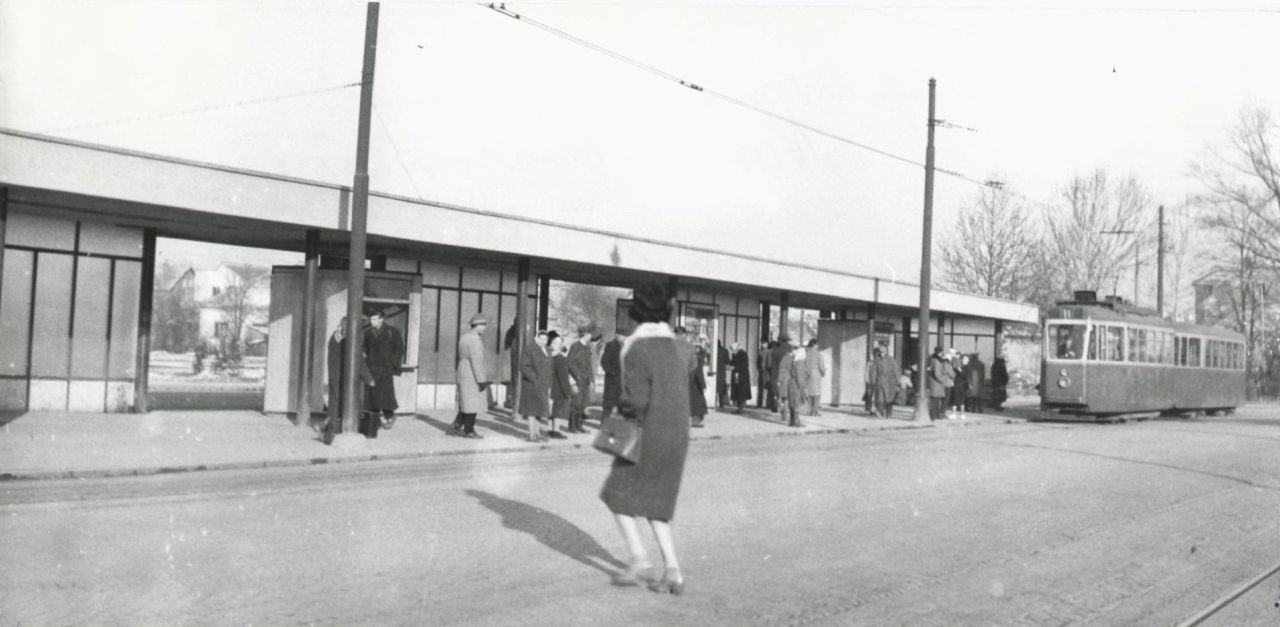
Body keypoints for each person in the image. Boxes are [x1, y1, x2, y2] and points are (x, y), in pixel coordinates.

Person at [600, 281, 691, 595]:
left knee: (615, 494)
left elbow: (635, 401)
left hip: (647, 432)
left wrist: (614, 427)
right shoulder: (677, 346)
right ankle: (673, 571)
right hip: (678, 435)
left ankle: (638, 558)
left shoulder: (637, 347)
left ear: (635, 314)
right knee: (657, 504)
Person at [324, 317, 372, 444]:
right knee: (352, 404)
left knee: (335, 404)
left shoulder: (333, 337)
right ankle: (344, 432)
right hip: (347, 378)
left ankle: (329, 434)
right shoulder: (350, 341)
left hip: (334, 376)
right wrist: (369, 378)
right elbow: (359, 360)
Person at [363, 310, 404, 435]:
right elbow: (364, 347)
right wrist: (364, 355)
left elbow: (399, 348)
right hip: (372, 367)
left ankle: (389, 417)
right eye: (371, 319)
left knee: (386, 395)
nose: (372, 322)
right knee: (372, 395)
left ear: (382, 319)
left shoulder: (392, 331)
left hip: (385, 369)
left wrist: (392, 363)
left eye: (375, 319)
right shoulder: (368, 332)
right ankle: (374, 420)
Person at [452, 313, 490, 439]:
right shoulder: (475, 340)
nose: (484, 327)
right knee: (473, 402)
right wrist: (481, 380)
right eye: (482, 325)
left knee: (466, 401)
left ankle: (457, 424)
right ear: (476, 326)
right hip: (472, 373)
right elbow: (477, 361)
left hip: (463, 370)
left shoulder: (464, 337)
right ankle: (469, 430)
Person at [520, 330, 553, 442]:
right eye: (541, 339)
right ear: (536, 338)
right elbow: (524, 367)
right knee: (532, 410)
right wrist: (535, 379)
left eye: (545, 339)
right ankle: (531, 434)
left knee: (540, 409)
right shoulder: (529, 349)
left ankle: (537, 433)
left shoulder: (547, 350)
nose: (543, 341)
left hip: (543, 385)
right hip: (532, 385)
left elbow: (550, 367)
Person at [674, 327, 707, 428]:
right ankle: (696, 420)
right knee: (696, 398)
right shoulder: (689, 347)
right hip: (687, 376)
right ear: (684, 335)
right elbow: (694, 365)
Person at [567, 323, 597, 433]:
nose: (591, 336)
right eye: (590, 334)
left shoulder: (587, 347)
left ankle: (580, 425)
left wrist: (592, 380)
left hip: (586, 380)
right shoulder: (575, 346)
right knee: (576, 403)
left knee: (584, 403)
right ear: (585, 334)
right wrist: (578, 375)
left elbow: (589, 366)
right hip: (578, 379)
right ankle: (572, 426)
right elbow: (569, 363)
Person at [549, 332, 575, 438]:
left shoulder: (546, 357)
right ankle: (556, 430)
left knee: (551, 410)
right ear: (550, 343)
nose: (558, 345)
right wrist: (567, 391)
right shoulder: (561, 359)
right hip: (558, 388)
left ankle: (550, 430)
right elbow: (563, 377)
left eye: (559, 343)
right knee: (557, 411)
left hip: (549, 387)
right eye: (555, 342)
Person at [780, 343, 810, 427]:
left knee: (792, 403)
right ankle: (796, 422)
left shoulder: (794, 362)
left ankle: (792, 421)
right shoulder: (800, 363)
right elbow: (800, 377)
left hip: (791, 383)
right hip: (796, 385)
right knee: (796, 403)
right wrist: (803, 388)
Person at [600, 332, 624, 420]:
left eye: (625, 335)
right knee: (609, 405)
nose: (623, 337)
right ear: (617, 335)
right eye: (622, 335)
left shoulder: (625, 347)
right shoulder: (610, 345)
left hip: (621, 382)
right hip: (612, 381)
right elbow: (604, 362)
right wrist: (612, 372)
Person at [871, 346, 900, 418]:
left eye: (883, 352)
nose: (881, 354)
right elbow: (873, 371)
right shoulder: (876, 360)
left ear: (886, 352)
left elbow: (896, 371)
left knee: (889, 399)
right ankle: (880, 413)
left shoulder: (891, 360)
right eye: (880, 352)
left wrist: (898, 381)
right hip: (879, 382)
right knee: (880, 398)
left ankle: (888, 414)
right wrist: (873, 381)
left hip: (890, 383)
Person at [927, 345, 952, 421]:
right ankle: (933, 416)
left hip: (935, 383)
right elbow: (937, 375)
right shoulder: (937, 361)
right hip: (936, 384)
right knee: (935, 400)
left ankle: (935, 415)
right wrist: (944, 379)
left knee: (936, 400)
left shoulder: (933, 359)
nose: (943, 354)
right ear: (939, 353)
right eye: (942, 352)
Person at [768, 335, 792, 414]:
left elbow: (771, 364)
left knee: (776, 392)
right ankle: (784, 409)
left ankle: (775, 406)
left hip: (775, 374)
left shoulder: (775, 350)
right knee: (785, 393)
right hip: (786, 374)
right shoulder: (789, 350)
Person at [804, 338, 825, 417]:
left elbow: (804, 364)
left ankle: (810, 411)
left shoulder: (807, 353)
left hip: (808, 375)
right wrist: (823, 373)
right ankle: (815, 412)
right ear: (815, 345)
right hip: (816, 375)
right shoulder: (818, 354)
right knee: (816, 394)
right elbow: (822, 366)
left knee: (809, 394)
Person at [729, 342, 752, 413]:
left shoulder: (743, 354)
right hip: (737, 375)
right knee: (737, 391)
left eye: (732, 349)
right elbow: (732, 363)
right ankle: (739, 408)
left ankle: (741, 408)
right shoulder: (736, 354)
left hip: (742, 376)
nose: (732, 351)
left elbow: (744, 365)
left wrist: (734, 368)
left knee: (741, 392)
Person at [949, 351, 968, 420]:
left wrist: (959, 369)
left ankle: (962, 414)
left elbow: (965, 376)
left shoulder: (966, 367)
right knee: (955, 399)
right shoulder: (958, 366)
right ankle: (954, 413)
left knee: (962, 399)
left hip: (962, 385)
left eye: (967, 359)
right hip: (957, 384)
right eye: (965, 359)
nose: (966, 361)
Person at [503, 324, 518, 409]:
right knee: (512, 381)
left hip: (512, 361)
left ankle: (510, 400)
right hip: (513, 361)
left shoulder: (510, 332)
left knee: (511, 381)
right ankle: (510, 400)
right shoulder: (514, 333)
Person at [715, 340, 730, 408]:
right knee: (721, 387)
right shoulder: (725, 350)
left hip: (715, 369)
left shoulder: (713, 349)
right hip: (722, 370)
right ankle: (721, 403)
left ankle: (714, 402)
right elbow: (727, 361)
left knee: (714, 386)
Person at [755, 341, 770, 408]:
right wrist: (759, 369)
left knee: (765, 388)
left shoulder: (767, 352)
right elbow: (757, 363)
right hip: (763, 372)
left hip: (765, 372)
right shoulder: (761, 352)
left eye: (764, 343)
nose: (763, 344)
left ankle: (763, 403)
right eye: (763, 343)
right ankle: (760, 403)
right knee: (761, 388)